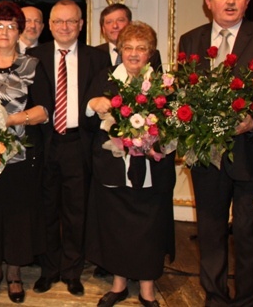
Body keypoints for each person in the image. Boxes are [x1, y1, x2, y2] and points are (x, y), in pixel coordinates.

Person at [178, 0, 253, 307]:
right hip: (206, 157)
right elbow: (184, 95)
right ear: (208, 2)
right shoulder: (191, 40)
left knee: (249, 236)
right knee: (211, 234)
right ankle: (215, 298)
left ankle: (246, 301)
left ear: (247, 2)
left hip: (250, 155)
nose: (231, 1)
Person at [84, 22, 176, 307]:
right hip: (114, 169)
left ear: (150, 53)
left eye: (141, 48)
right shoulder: (105, 78)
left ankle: (147, 290)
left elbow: (174, 125)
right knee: (117, 227)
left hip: (151, 170)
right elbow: (86, 116)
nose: (134, 54)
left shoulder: (163, 84)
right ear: (119, 50)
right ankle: (119, 284)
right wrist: (93, 103)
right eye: (128, 47)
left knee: (148, 228)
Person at [0, 1, 53, 304]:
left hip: (20, 155)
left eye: (11, 26)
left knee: (18, 215)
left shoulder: (32, 66)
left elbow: (44, 111)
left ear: (19, 32)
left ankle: (15, 273)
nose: (5, 32)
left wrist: (8, 120)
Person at [28, 0, 110, 296]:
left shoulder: (97, 59)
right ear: (49, 26)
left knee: (77, 213)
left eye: (71, 21)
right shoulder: (32, 57)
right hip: (45, 144)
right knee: (46, 210)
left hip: (80, 144)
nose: (64, 27)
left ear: (81, 24)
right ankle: (49, 269)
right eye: (58, 22)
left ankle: (72, 270)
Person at [96, 4, 162, 71]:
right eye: (109, 22)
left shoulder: (152, 54)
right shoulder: (94, 55)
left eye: (120, 20)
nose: (115, 26)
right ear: (103, 29)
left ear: (130, 24)